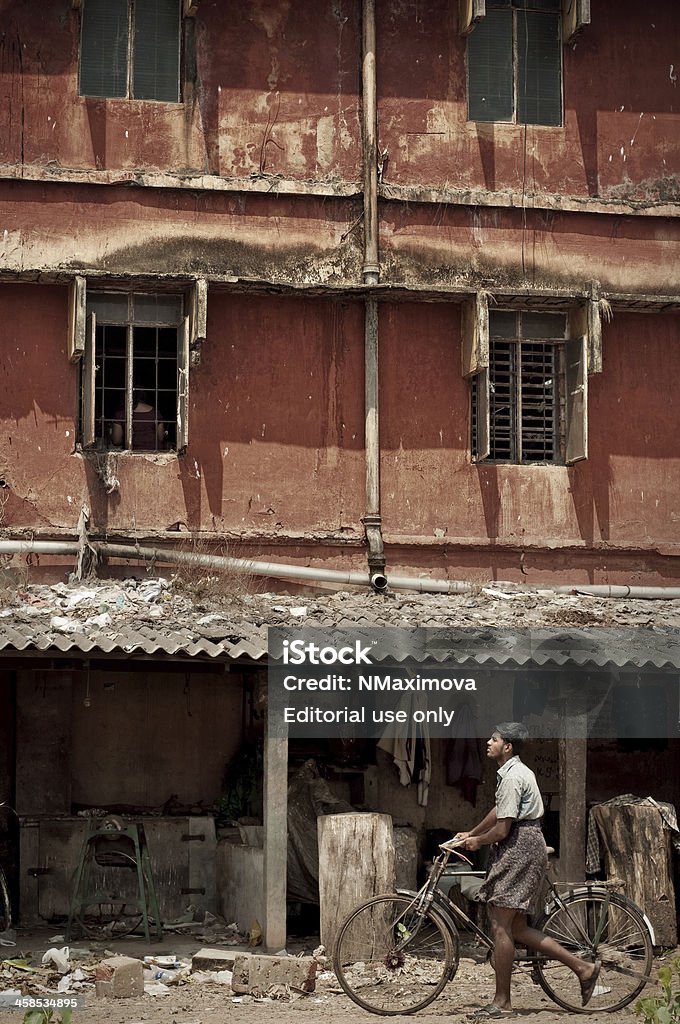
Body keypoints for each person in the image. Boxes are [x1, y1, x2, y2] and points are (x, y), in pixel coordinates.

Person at [454, 723, 600, 1020]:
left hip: (519, 847)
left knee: (501, 927)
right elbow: (499, 811)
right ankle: (583, 968)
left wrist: (476, 841)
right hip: (524, 843)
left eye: (494, 739)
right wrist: (470, 831)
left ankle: (503, 1003)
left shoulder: (512, 777)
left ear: (507, 746)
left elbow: (503, 828)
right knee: (517, 928)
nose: (488, 742)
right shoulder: (514, 773)